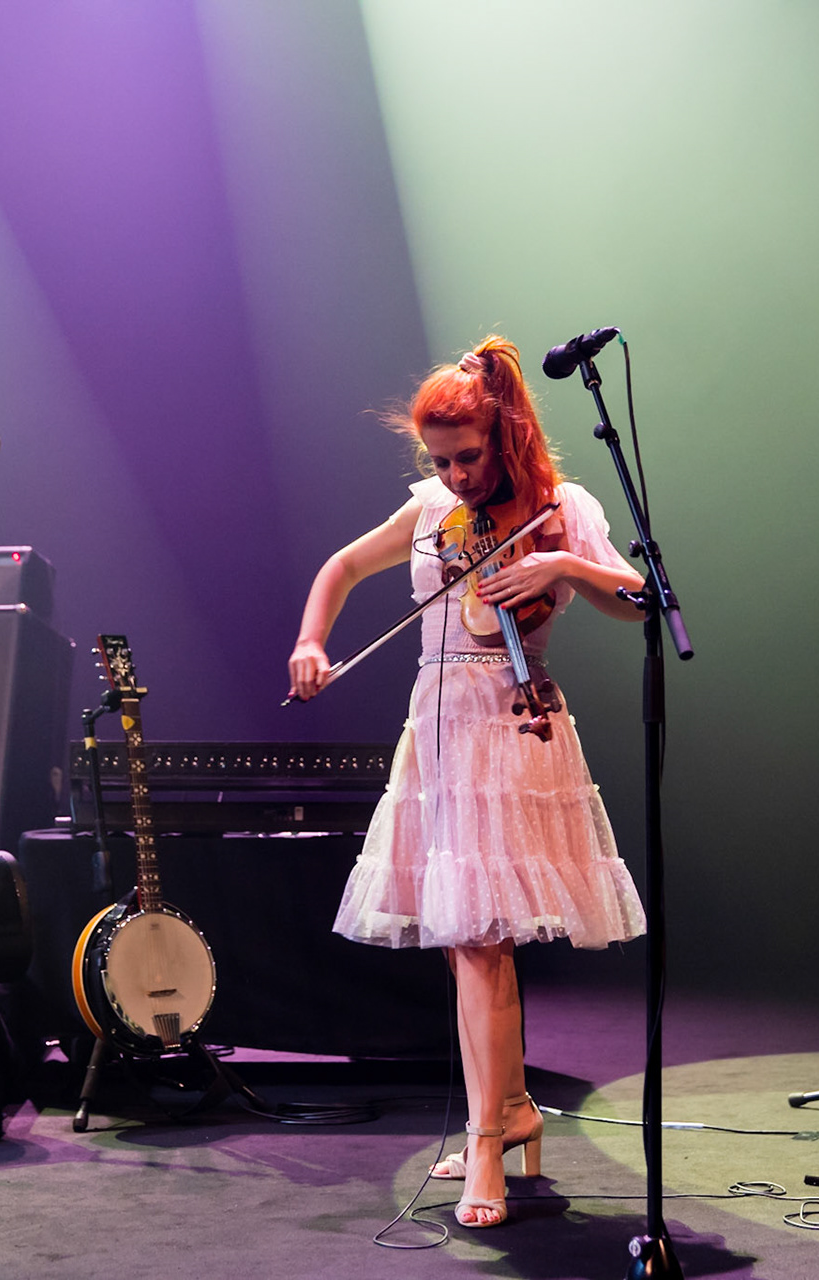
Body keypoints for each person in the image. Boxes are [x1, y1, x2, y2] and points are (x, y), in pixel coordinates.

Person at [288, 335, 648, 1229]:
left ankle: (487, 1139)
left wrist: (565, 564)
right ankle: (513, 1109)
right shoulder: (426, 512)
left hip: (515, 724)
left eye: (468, 457)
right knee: (465, 939)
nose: (453, 477)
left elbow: (637, 596)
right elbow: (341, 568)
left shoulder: (561, 506)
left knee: (482, 939)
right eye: (440, 461)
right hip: (439, 729)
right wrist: (311, 639)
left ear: (507, 434)